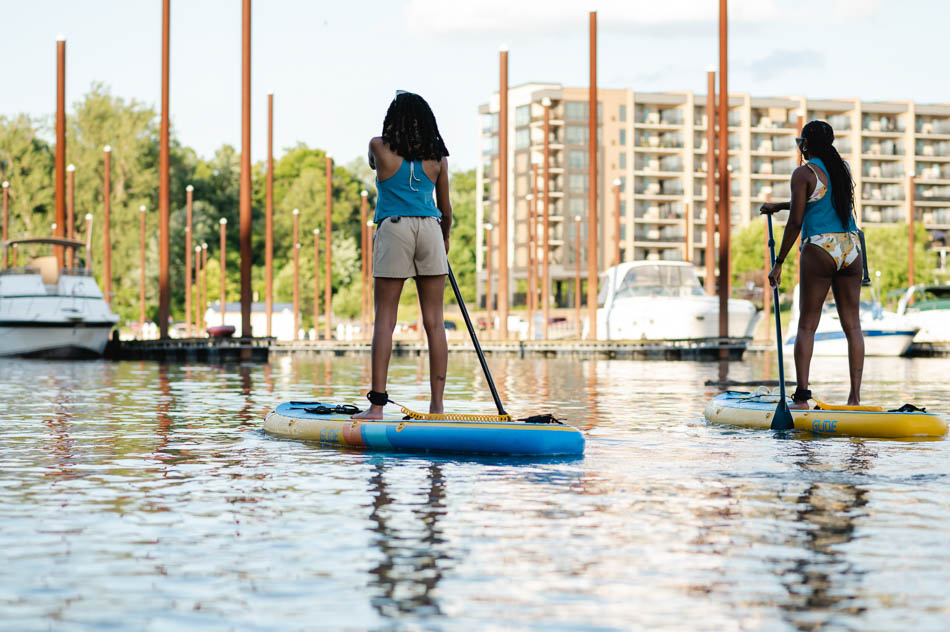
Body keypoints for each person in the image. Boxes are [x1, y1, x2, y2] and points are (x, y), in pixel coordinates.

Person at [352, 91, 452, 420]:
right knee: (435, 322)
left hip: (394, 228)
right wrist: (445, 238)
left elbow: (373, 164)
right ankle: (436, 407)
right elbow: (446, 210)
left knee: (385, 319)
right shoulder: (438, 157)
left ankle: (377, 407)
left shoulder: (378, 146)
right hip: (430, 229)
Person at [760, 120, 863, 409]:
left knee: (807, 325)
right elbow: (819, 201)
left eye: (800, 142)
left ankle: (802, 398)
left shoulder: (803, 173)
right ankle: (854, 399)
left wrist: (779, 262)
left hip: (819, 246)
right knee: (853, 327)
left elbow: (796, 222)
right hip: (851, 246)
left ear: (806, 144)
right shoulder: (843, 168)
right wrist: (779, 206)